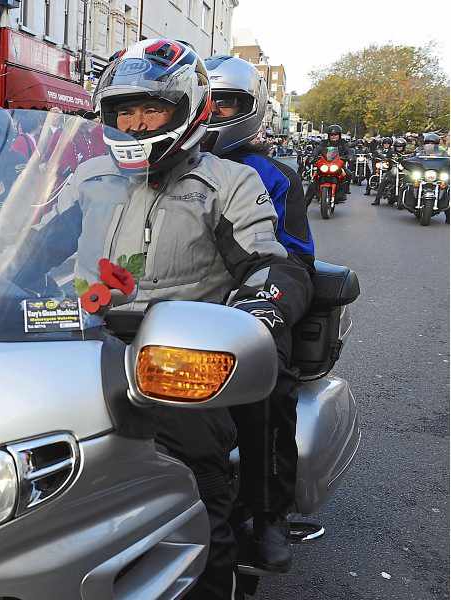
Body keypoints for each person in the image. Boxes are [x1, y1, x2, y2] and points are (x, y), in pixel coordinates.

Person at [22, 39, 311, 599]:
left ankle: (213, 574)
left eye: (151, 108)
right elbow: (30, 250)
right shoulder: (88, 178)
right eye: (124, 110)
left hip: (173, 361)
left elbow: (271, 262)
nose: (135, 123)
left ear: (187, 107)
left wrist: (262, 305)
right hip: (79, 342)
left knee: (198, 502)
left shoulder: (229, 182)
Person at [204, 55, 315, 574]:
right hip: (172, 299)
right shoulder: (154, 165)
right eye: (207, 100)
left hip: (244, 305)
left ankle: (268, 511)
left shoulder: (274, 176)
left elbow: (292, 257)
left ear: (252, 109)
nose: (215, 111)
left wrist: (262, 306)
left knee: (268, 378)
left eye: (226, 101)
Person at [305, 124, 351, 204]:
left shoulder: (343, 143)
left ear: (339, 135)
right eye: (331, 135)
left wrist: (350, 157)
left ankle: (343, 193)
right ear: (329, 135)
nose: (334, 136)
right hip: (324, 164)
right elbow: (317, 149)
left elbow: (348, 151)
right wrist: (313, 156)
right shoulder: (324, 143)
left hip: (338, 164)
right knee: (314, 178)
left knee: (348, 174)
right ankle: (305, 204)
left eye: (335, 134)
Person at [371, 136, 398, 205]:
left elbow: (395, 158)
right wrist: (373, 157)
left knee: (386, 181)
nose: (386, 144)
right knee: (374, 174)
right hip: (380, 166)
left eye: (388, 143)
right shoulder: (379, 150)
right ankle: (376, 199)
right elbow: (374, 155)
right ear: (383, 144)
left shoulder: (393, 152)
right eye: (385, 143)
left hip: (390, 168)